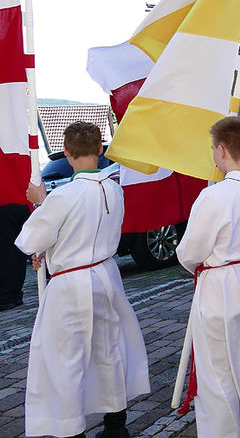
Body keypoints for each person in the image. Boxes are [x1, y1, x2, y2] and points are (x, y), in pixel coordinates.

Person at [15, 121, 150, 438]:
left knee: (66, 358)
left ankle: (71, 430)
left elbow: (30, 239)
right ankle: (116, 426)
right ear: (100, 149)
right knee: (108, 350)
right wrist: (48, 249)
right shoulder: (113, 188)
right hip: (105, 276)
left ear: (66, 153)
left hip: (71, 283)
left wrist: (41, 200)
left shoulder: (63, 196)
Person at [175, 117, 240, 438]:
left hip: (226, 288)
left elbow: (189, 253)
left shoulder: (214, 197)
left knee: (218, 373)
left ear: (221, 150)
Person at [0, 201, 30, 310]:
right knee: (18, 251)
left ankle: (7, 297)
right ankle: (13, 295)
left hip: (4, 204)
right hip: (23, 201)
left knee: (7, 252)